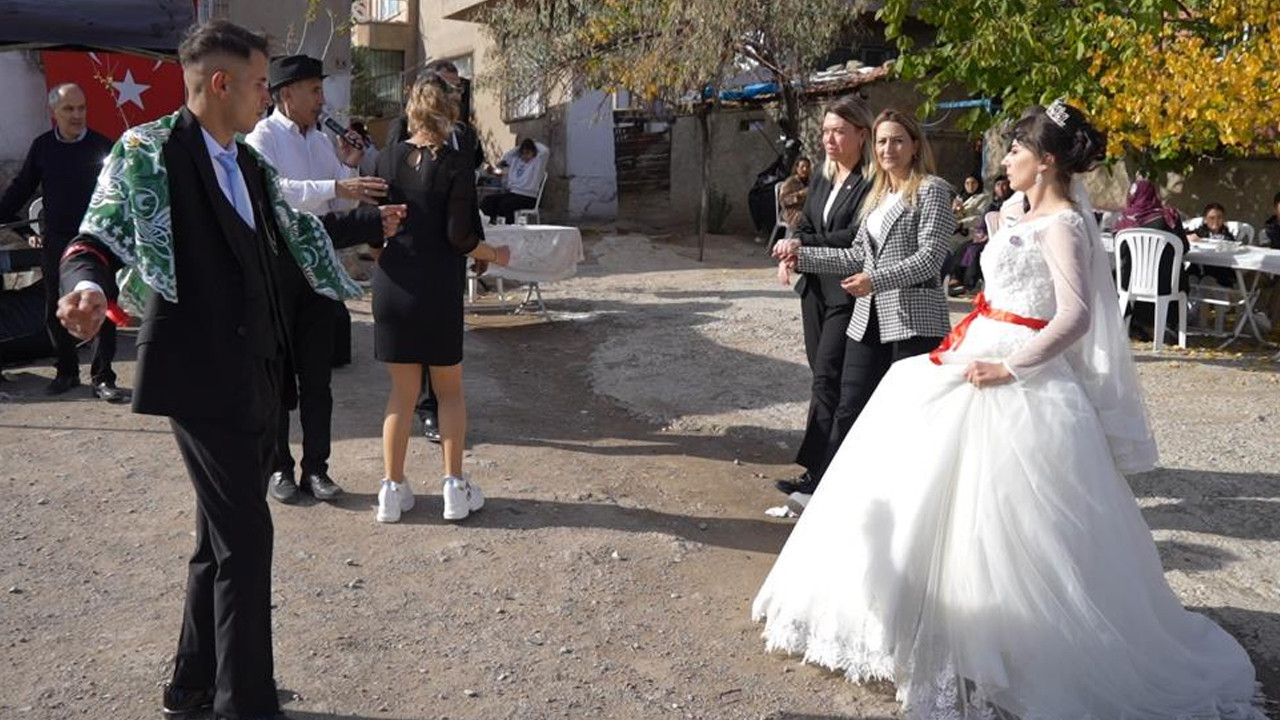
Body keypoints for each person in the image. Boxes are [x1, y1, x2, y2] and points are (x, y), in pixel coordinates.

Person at [753, 101, 1265, 720]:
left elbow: (1075, 317)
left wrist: (1012, 365)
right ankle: (911, 622)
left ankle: (1008, 646)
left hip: (1017, 369)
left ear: (1047, 160)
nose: (1008, 159)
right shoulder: (1014, 213)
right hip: (973, 345)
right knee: (918, 478)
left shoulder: (1066, 225)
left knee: (1005, 516)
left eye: (1018, 150)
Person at [54, 20, 404, 719]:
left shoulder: (247, 163)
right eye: (255, 83)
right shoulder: (147, 152)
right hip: (195, 371)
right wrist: (87, 286)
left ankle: (190, 686)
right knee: (247, 536)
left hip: (256, 370)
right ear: (219, 83)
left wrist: (373, 224)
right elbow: (96, 233)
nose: (262, 95)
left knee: (220, 539)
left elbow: (291, 234)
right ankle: (243, 703)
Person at [773, 108, 953, 507]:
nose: (888, 148)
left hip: (913, 323)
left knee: (905, 416)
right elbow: (857, 256)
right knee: (850, 407)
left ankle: (909, 501)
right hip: (867, 317)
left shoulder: (932, 190)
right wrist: (801, 257)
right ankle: (831, 496)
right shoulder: (878, 196)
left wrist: (876, 280)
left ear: (915, 146)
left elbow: (929, 260)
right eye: (883, 141)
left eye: (897, 140)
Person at [247, 54, 391, 505]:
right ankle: (278, 468)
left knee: (317, 376)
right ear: (285, 94)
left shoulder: (322, 141)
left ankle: (318, 469)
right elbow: (276, 194)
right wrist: (336, 187)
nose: (321, 100)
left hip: (319, 271)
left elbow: (341, 205)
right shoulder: (262, 137)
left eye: (321, 89)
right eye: (313, 90)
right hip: (279, 269)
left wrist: (347, 168)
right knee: (275, 375)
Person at [372, 75, 511, 524]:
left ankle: (391, 492)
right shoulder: (455, 164)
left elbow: (373, 230)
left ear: (411, 110)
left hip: (393, 285)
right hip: (436, 288)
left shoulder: (385, 158)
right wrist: (494, 253)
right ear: (449, 113)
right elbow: (459, 236)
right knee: (449, 392)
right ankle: (454, 488)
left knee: (401, 393)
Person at [768, 96, 874, 500]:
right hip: (813, 289)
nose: (829, 139)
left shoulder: (870, 183)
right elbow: (806, 224)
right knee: (820, 377)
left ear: (861, 135)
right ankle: (821, 468)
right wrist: (793, 250)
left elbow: (853, 237)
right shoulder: (824, 178)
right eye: (826, 131)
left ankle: (820, 473)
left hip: (846, 292)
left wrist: (800, 248)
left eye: (839, 131)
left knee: (829, 376)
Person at [0, 83, 123, 400]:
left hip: (95, 243)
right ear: (54, 112)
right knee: (55, 312)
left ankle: (103, 377)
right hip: (57, 242)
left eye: (81, 108)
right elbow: (20, 190)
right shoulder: (43, 148)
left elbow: (120, 196)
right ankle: (67, 371)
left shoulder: (101, 146)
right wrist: (23, 231)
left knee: (103, 309)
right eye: (69, 109)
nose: (77, 115)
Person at [1114, 178, 1189, 341]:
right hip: (1166, 284)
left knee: (1115, 274)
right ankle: (1166, 326)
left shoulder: (1124, 221)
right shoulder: (1169, 216)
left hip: (1130, 282)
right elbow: (1184, 247)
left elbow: (1121, 253)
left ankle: (1134, 323)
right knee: (1179, 273)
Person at [480, 137, 549, 224]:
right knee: (488, 200)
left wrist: (533, 143)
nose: (525, 156)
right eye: (523, 153)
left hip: (528, 197)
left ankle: (510, 226)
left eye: (528, 153)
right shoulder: (516, 161)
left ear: (533, 153)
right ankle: (490, 223)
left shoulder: (537, 162)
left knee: (505, 204)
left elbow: (545, 151)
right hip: (513, 193)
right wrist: (520, 146)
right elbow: (507, 156)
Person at [776, 157, 811, 237]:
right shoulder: (790, 182)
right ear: (797, 168)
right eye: (802, 167)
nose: (805, 169)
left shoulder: (810, 182)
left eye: (807, 167)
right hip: (792, 213)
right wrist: (799, 194)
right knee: (806, 219)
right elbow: (783, 201)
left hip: (805, 211)